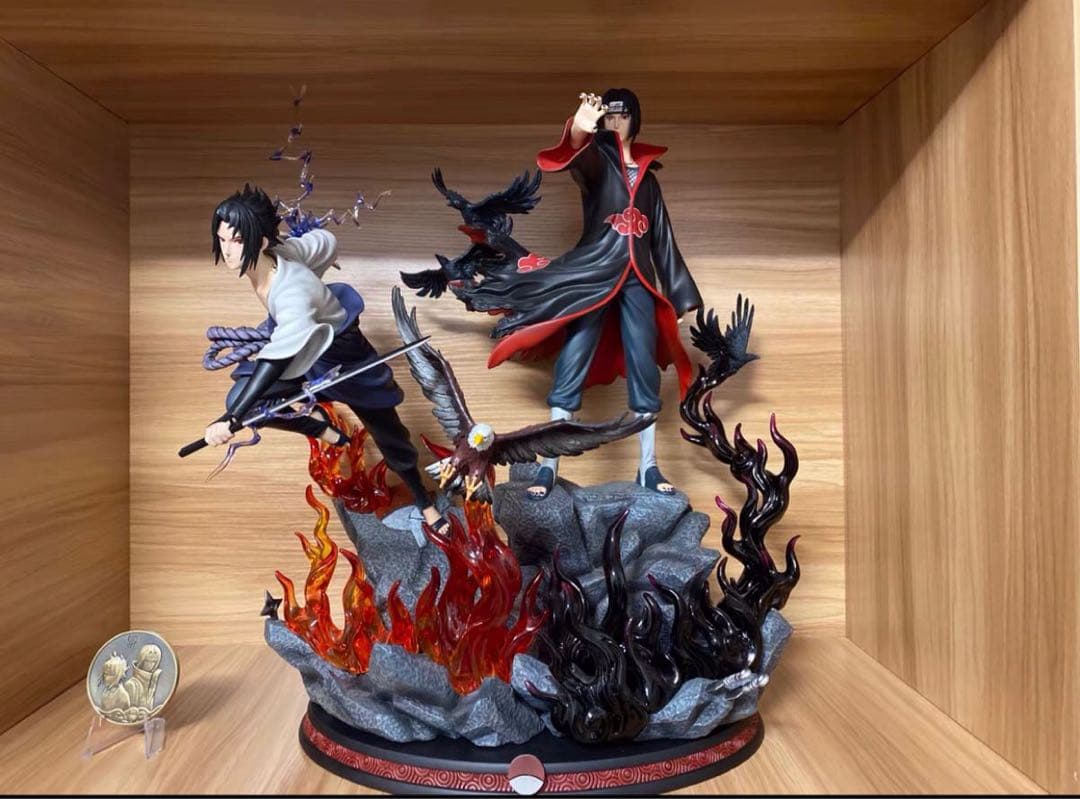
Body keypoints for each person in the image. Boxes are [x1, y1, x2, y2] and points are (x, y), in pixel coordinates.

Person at [458, 89, 703, 499]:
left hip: (639, 280)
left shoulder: (648, 178)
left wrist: (680, 296)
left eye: (623, 114)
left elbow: (663, 238)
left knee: (645, 368)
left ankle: (647, 467)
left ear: (636, 118)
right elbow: (578, 158)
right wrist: (579, 131)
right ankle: (548, 468)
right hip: (593, 275)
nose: (616, 121)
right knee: (572, 361)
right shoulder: (600, 163)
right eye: (610, 115)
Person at [202, 185, 448, 531]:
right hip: (303, 349)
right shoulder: (281, 252)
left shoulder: (290, 290)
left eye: (237, 240)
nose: (227, 250)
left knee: (389, 434)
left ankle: (425, 503)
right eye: (222, 239)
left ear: (260, 241)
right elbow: (324, 242)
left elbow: (275, 361)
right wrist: (237, 411)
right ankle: (321, 427)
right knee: (242, 397)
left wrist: (231, 420)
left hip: (343, 357)